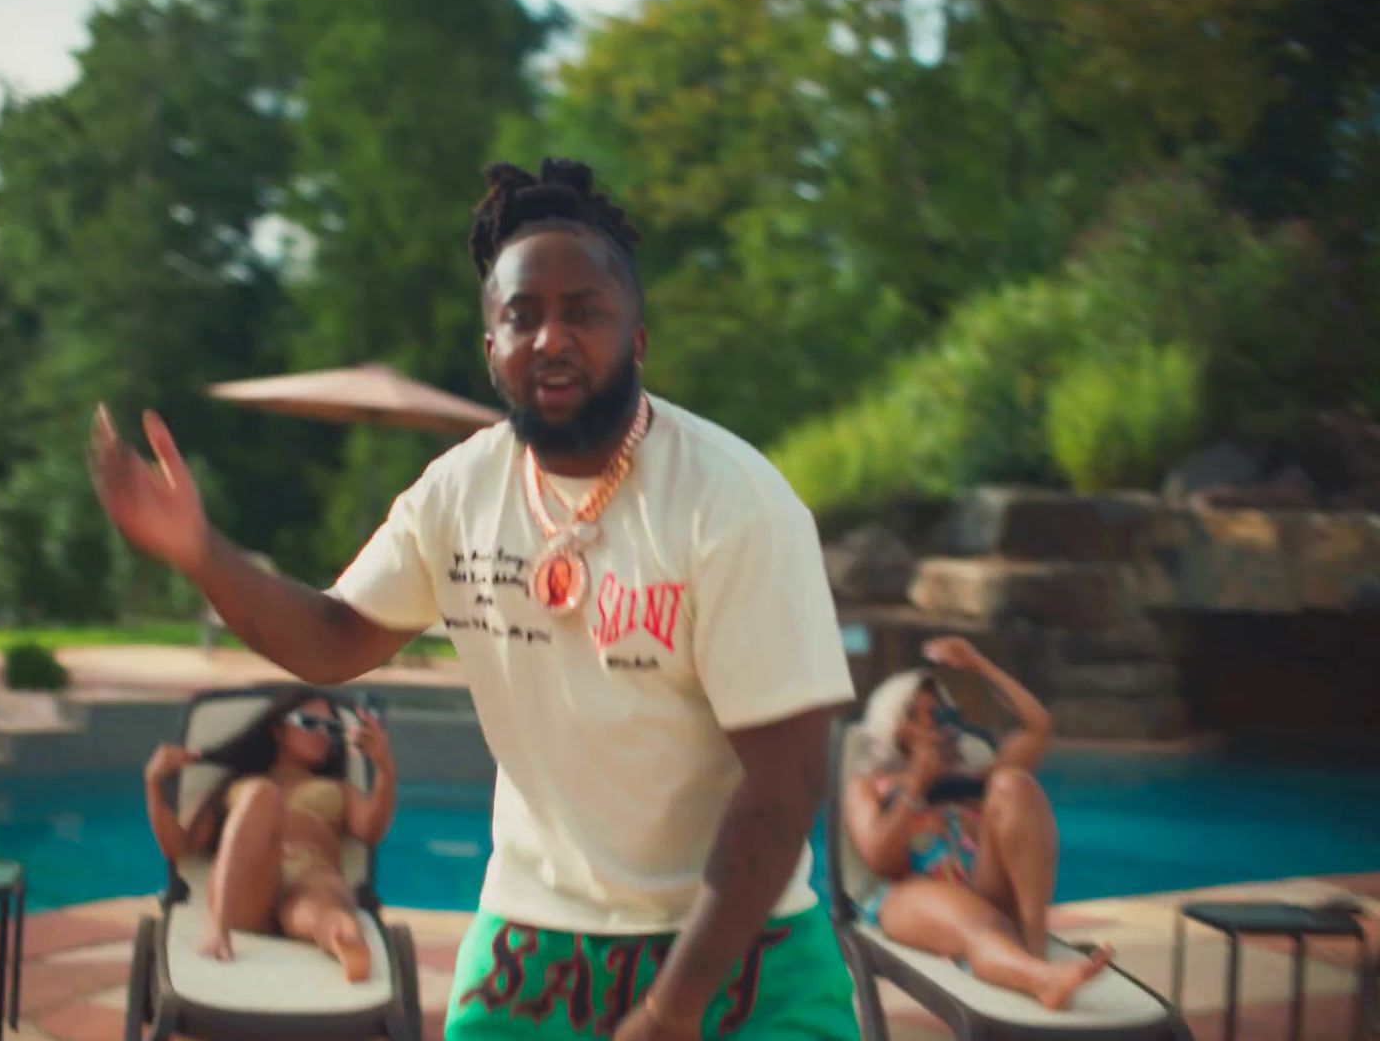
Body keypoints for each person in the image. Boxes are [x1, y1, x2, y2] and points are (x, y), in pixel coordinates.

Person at [90, 157, 858, 1039]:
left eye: (584, 312)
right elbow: (335, 639)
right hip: (536, 942)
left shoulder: (735, 503)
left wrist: (672, 1009)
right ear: (490, 347)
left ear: (638, 339)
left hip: (739, 947)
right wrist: (202, 552)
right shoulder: (458, 494)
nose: (551, 338)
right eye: (521, 316)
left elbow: (787, 779)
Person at [842, 636, 1115, 1009]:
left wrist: (980, 665)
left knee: (1014, 783)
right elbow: (879, 859)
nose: (928, 722)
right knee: (979, 928)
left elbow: (1038, 728)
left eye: (934, 712)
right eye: (913, 713)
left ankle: (1034, 942)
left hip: (982, 887)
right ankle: (1042, 979)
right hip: (911, 895)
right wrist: (917, 785)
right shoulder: (871, 784)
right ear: (893, 725)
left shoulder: (971, 776)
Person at [142, 687, 397, 981]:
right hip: (246, 886)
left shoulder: (339, 789)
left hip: (310, 874)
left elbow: (370, 830)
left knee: (316, 909)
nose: (322, 734)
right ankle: (219, 931)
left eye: (331, 727)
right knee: (261, 794)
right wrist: (153, 784)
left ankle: (344, 941)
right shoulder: (238, 784)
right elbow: (179, 847)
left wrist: (384, 768)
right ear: (278, 730)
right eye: (310, 723)